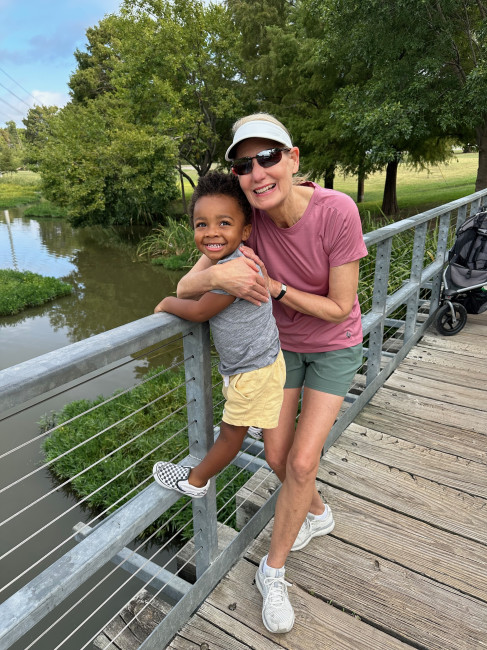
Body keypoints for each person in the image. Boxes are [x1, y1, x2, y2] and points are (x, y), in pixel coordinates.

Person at [176, 113, 368, 634]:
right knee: (279, 456)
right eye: (244, 163)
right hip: (279, 352)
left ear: (294, 159)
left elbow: (340, 306)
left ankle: (272, 570)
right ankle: (317, 513)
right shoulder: (247, 219)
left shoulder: (337, 211)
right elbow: (187, 285)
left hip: (333, 344)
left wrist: (275, 288)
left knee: (302, 461)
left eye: (268, 157)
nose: (257, 172)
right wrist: (219, 273)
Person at [152, 171, 285, 504]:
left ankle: (196, 480)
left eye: (224, 223)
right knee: (247, 423)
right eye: (201, 224)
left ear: (245, 230)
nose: (211, 232)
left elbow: (199, 312)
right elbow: (197, 288)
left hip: (253, 371)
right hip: (258, 364)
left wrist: (166, 303)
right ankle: (255, 421)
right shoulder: (230, 260)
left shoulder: (238, 271)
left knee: (229, 435)